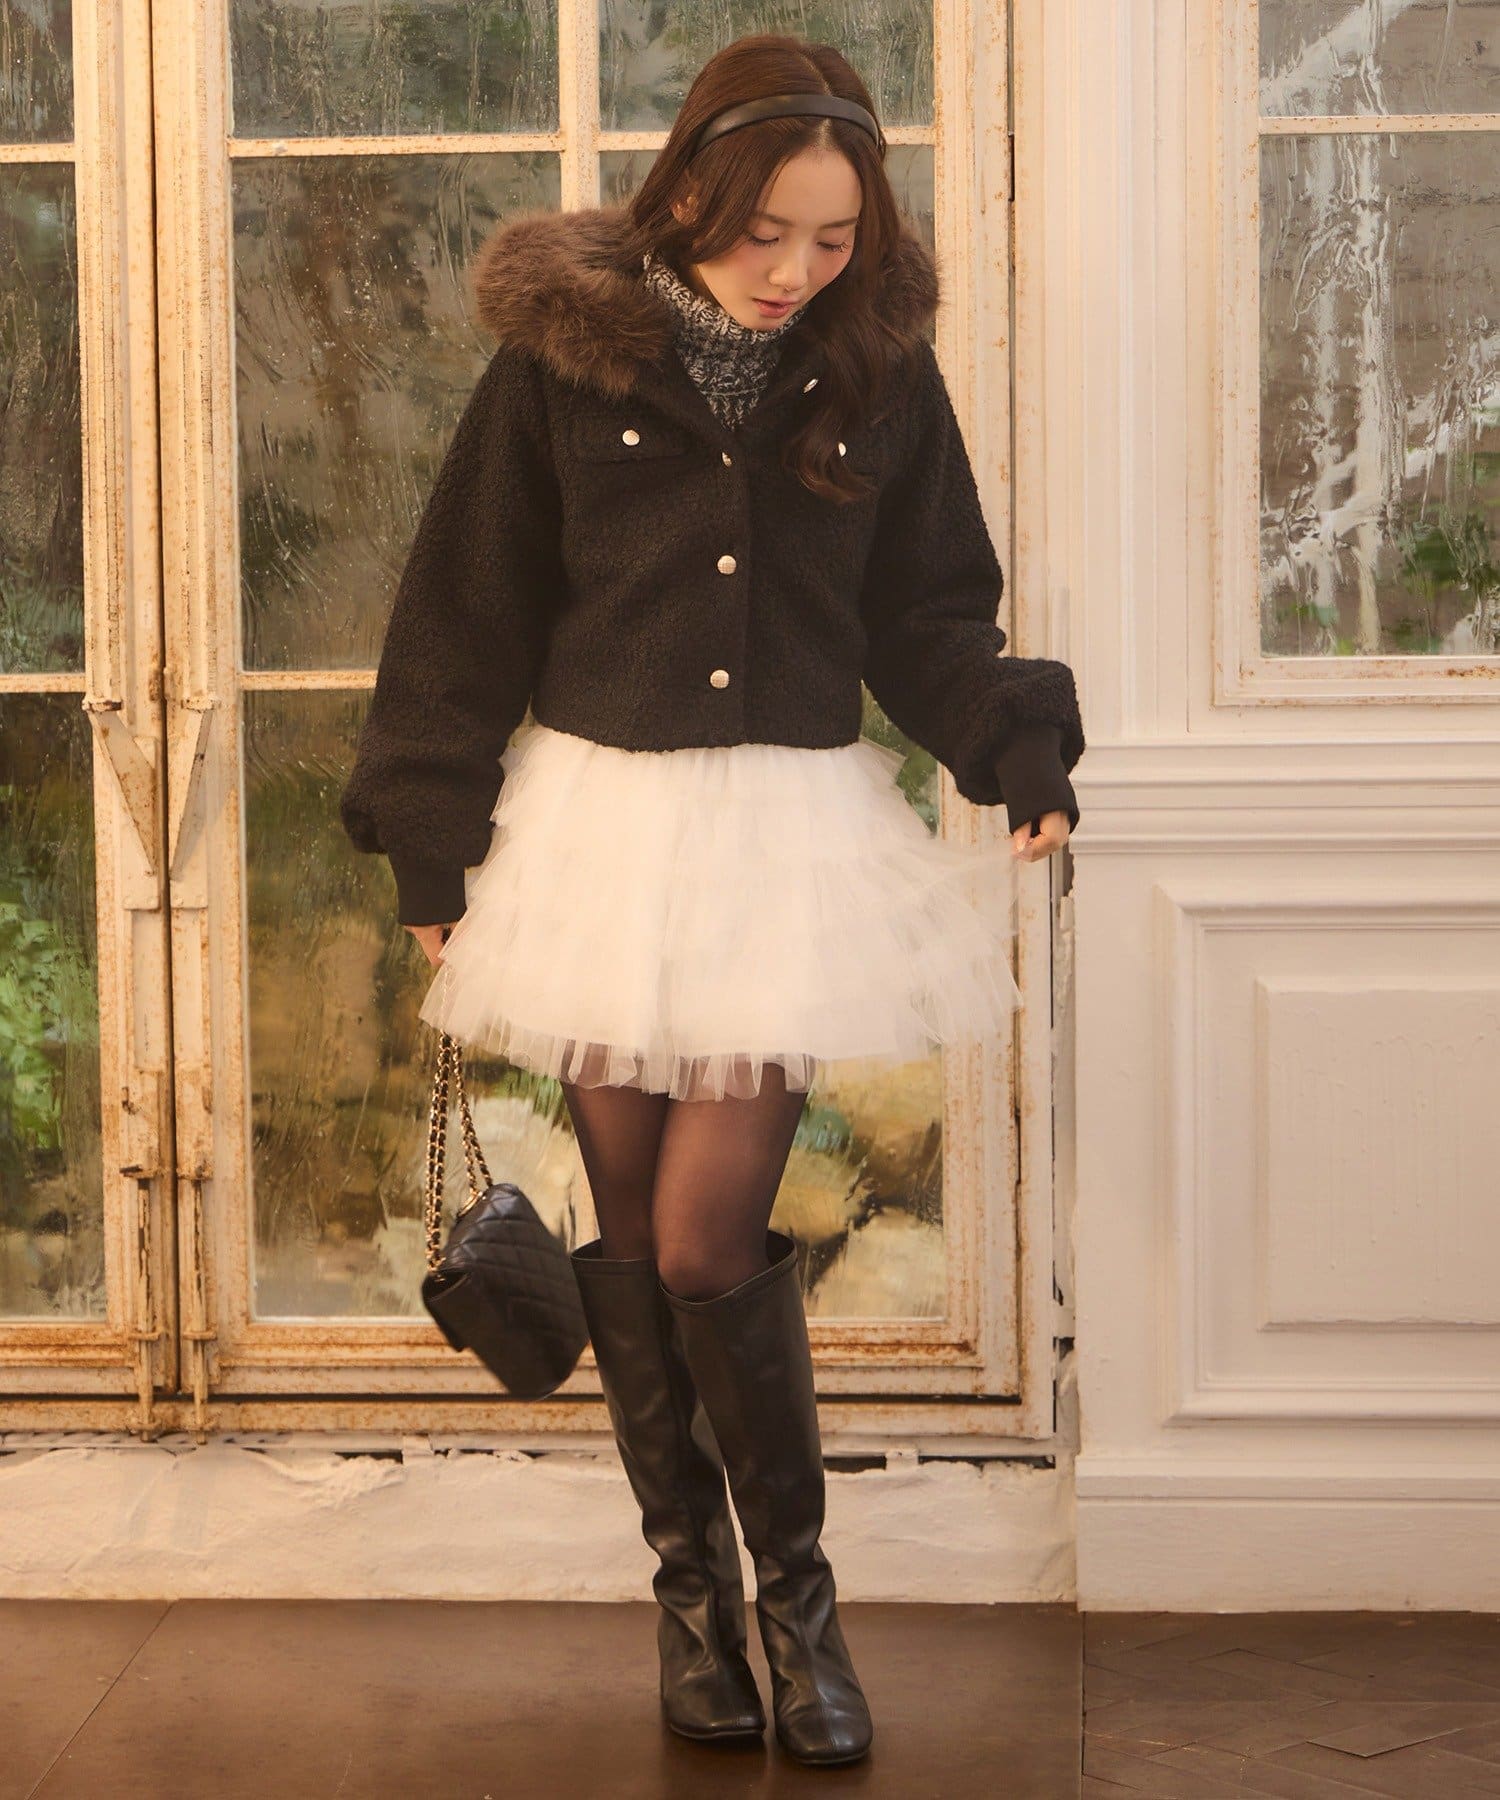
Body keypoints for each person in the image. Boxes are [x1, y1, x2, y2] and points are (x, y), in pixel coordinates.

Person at [339, 33, 1085, 1770]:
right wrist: (433, 840)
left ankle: (799, 1612)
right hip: (601, 837)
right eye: (766, 234)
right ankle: (693, 1609)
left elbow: (930, 614)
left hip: (783, 844)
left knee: (698, 1241)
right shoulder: (560, 362)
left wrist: (1011, 746)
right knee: (626, 1231)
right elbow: (465, 608)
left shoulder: (877, 372)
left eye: (834, 239)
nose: (796, 270)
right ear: (686, 197)